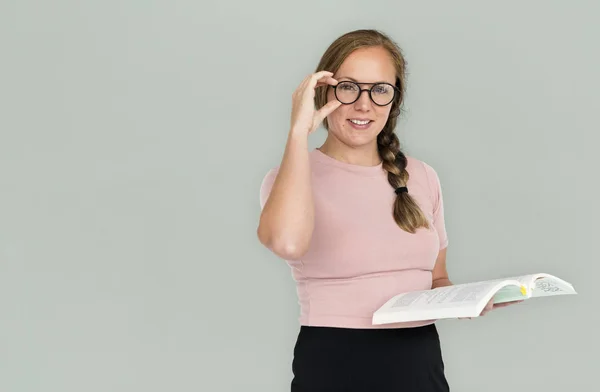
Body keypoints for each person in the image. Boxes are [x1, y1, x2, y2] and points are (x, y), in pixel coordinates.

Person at [256, 29, 515, 392]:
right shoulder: (291, 177)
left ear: (395, 99)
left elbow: (437, 279)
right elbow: (286, 243)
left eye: (380, 90)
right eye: (348, 87)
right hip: (335, 362)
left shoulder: (422, 176)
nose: (364, 105)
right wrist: (297, 133)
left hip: (419, 361)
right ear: (322, 92)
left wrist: (468, 301)